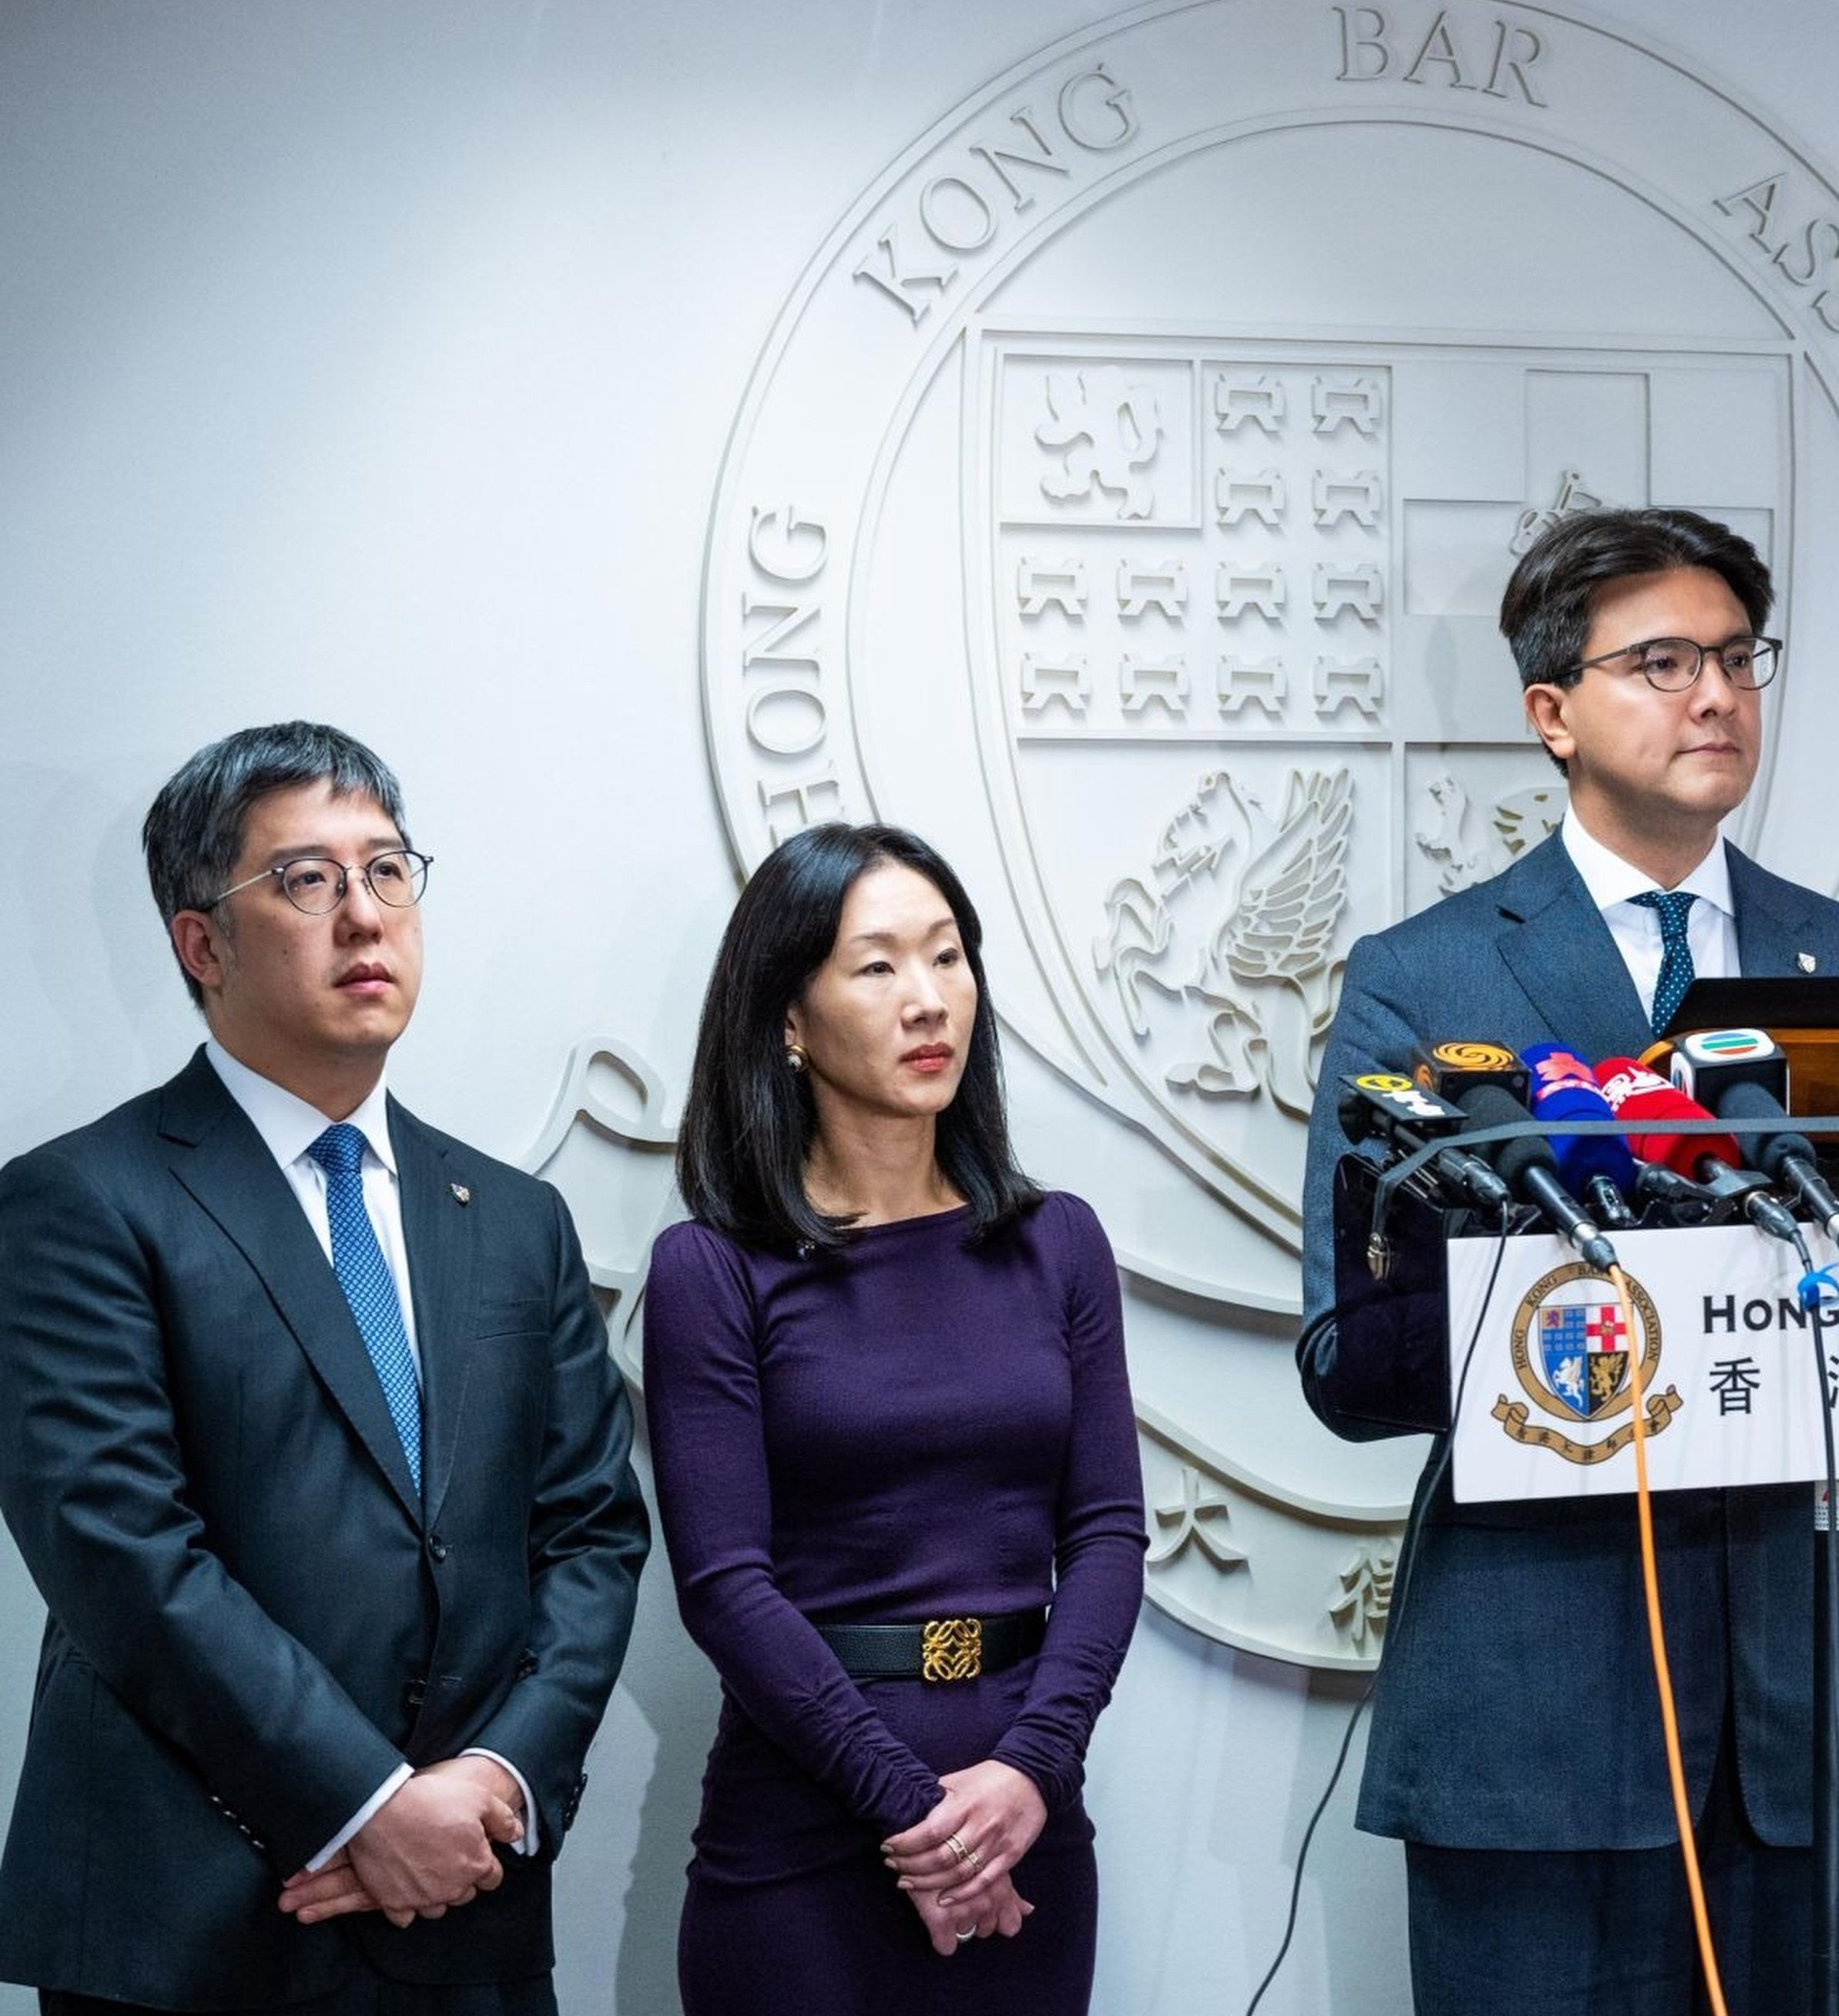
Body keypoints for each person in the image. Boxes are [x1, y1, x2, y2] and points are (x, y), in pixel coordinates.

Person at [1297, 507, 1839, 2014]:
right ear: (1552, 712)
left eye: (1733, 658)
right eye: (1658, 662)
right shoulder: (1424, 976)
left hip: (1800, 1713)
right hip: (1536, 1705)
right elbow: (1350, 1355)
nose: (1712, 694)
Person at [0, 722, 648, 2015]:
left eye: (389, 870)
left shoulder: (516, 1219)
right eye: (306, 880)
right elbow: (122, 1551)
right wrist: (364, 1802)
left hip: (468, 1908)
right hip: (192, 1925)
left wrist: (497, 1784)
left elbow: (590, 1534)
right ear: (201, 942)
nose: (365, 915)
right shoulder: (78, 1202)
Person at [641, 820, 1144, 2015]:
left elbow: (1112, 1535)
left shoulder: (1057, 1240)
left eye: (947, 956)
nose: (928, 1001)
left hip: (1023, 1817)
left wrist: (1027, 1770)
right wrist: (912, 1809)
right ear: (789, 1017)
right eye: (877, 966)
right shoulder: (713, 1266)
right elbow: (723, 1582)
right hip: (805, 1832)